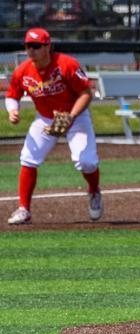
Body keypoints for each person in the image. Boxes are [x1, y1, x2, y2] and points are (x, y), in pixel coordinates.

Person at [4, 27, 103, 225]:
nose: (31, 50)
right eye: (27, 46)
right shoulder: (23, 71)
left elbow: (86, 93)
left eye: (36, 46)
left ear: (48, 46)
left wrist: (70, 117)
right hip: (46, 118)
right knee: (28, 158)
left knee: (87, 162)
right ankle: (24, 209)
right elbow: (12, 95)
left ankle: (94, 190)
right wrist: (12, 111)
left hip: (76, 115)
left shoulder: (66, 65)